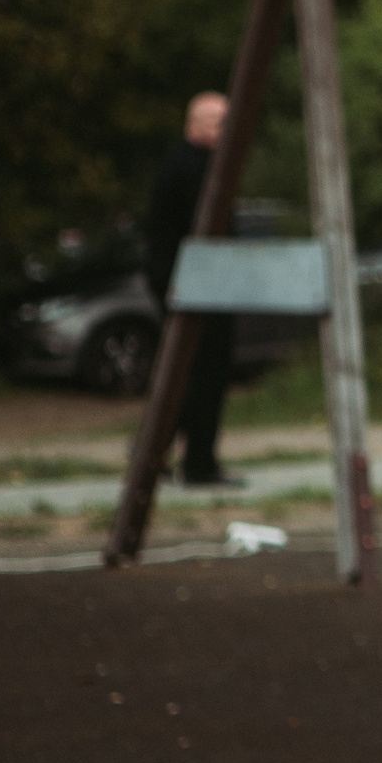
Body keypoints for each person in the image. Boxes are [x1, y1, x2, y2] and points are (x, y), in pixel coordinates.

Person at [143, 91, 240, 486]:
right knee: (202, 372)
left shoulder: (191, 164)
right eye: (219, 123)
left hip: (192, 283)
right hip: (194, 286)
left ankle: (158, 452)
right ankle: (194, 460)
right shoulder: (192, 167)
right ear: (195, 124)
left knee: (188, 373)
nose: (226, 131)